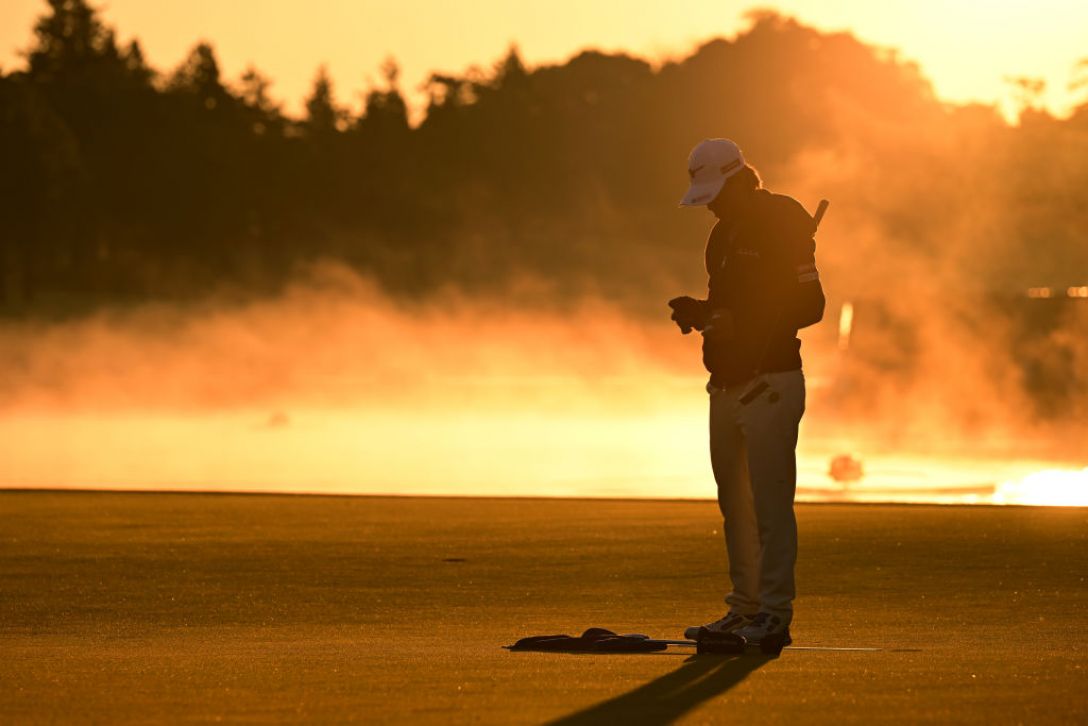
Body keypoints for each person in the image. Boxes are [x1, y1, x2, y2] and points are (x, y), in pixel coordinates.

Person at [669, 138, 826, 650]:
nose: (709, 203)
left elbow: (811, 303)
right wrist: (704, 315)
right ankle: (744, 609)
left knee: (769, 505)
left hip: (771, 383)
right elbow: (727, 308)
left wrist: (744, 319)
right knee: (734, 505)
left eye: (715, 192)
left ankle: (774, 616)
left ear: (739, 180)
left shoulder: (783, 220)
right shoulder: (721, 236)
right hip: (726, 384)